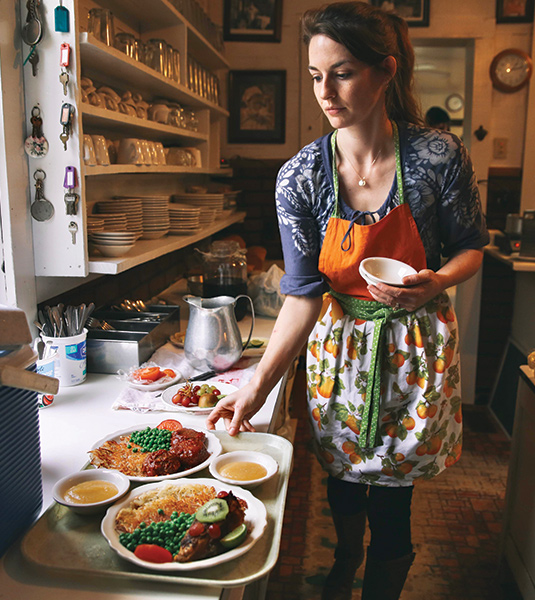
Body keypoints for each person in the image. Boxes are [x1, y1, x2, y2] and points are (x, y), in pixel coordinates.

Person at [206, 3, 488, 599]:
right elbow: (303, 294)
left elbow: (471, 249)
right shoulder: (302, 178)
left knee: (393, 493)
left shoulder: (437, 157)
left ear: (386, 72)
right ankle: (342, 565)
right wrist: (256, 385)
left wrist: (436, 282)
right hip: (339, 352)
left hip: (415, 347)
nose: (325, 91)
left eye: (343, 72)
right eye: (315, 76)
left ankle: (381, 585)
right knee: (340, 476)